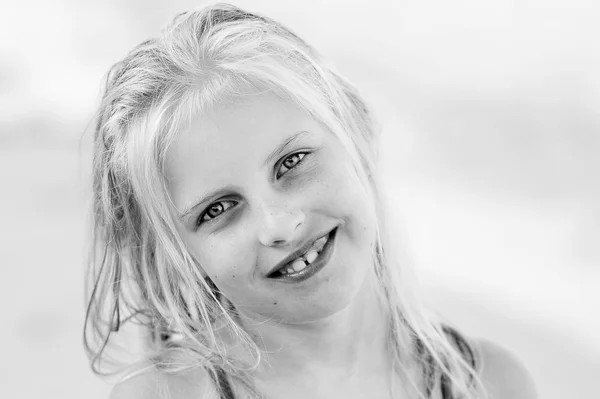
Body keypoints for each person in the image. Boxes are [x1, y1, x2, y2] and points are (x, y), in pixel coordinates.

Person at [84, 3, 538, 399]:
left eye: (292, 161)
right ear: (179, 253)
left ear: (356, 129)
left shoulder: (488, 385)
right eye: (217, 209)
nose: (278, 225)